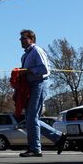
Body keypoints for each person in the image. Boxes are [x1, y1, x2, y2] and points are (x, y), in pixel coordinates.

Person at [18, 29, 66, 157]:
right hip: (30, 87)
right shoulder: (25, 55)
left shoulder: (36, 51)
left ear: (31, 39)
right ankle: (58, 137)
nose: (21, 41)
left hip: (39, 84)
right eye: (20, 39)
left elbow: (45, 69)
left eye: (23, 38)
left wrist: (27, 71)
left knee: (32, 118)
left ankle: (35, 149)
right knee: (31, 119)